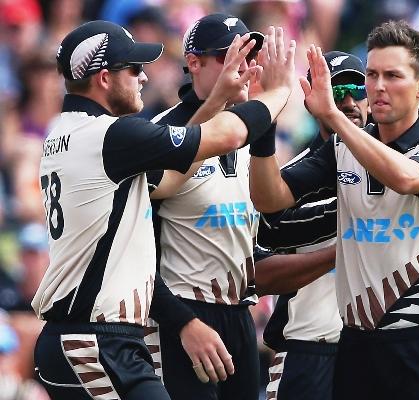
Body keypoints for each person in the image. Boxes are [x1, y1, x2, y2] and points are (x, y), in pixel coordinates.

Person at [31, 19, 295, 400]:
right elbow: (231, 134)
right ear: (104, 78)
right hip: (91, 340)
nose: (143, 77)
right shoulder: (112, 136)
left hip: (101, 337)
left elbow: (170, 179)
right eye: (134, 68)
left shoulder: (69, 132)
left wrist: (216, 98)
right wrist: (280, 89)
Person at [249, 20, 419, 400]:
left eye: (393, 75)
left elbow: (405, 177)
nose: (379, 86)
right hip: (358, 345)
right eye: (373, 74)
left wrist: (335, 117)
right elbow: (270, 199)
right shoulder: (339, 149)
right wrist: (264, 120)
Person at [149, 13, 267, 400]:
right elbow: (130, 255)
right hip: (183, 317)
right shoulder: (157, 132)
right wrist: (184, 324)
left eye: (249, 56)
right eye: (228, 56)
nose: (243, 67)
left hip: (240, 314)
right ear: (194, 63)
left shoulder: (252, 136)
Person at [256, 51, 367, 400]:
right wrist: (343, 248)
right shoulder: (288, 184)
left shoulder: (402, 166)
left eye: (355, 88)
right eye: (335, 92)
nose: (347, 101)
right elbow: (258, 274)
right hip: (309, 346)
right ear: (311, 100)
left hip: (377, 347)